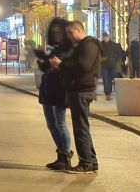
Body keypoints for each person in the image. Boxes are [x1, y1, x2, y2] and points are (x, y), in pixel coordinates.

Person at [51, 20, 101, 174]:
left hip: (82, 90)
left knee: (80, 129)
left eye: (70, 32)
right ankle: (91, 161)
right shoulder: (84, 45)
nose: (69, 36)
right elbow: (77, 63)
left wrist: (62, 64)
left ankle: (86, 163)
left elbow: (83, 66)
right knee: (82, 127)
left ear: (79, 30)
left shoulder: (89, 45)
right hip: (79, 89)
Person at [35, 18, 73, 171]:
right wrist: (42, 61)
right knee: (51, 125)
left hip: (60, 91)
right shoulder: (55, 48)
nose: (56, 34)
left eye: (59, 32)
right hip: (47, 91)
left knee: (60, 124)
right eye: (54, 32)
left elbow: (71, 69)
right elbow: (48, 69)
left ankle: (65, 156)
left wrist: (60, 64)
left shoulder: (70, 49)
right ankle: (61, 155)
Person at [99, 33, 125, 101]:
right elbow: (98, 54)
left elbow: (118, 54)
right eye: (104, 37)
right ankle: (107, 93)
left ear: (108, 37)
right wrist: (102, 59)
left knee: (110, 78)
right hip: (104, 65)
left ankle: (109, 91)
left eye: (106, 37)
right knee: (105, 79)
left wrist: (115, 60)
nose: (105, 38)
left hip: (112, 65)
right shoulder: (100, 45)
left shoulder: (114, 45)